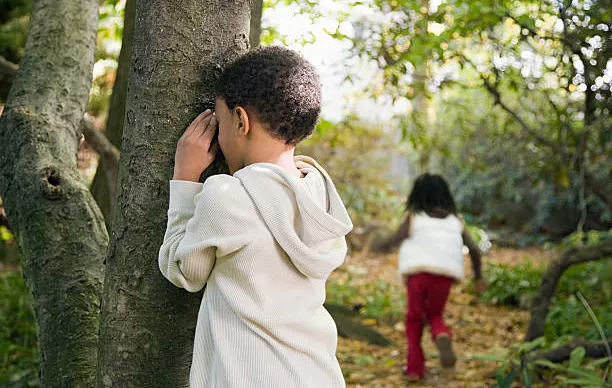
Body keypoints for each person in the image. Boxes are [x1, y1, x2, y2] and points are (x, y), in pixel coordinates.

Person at [158, 46, 352, 387]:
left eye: (219, 123)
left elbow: (184, 271)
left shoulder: (230, 196)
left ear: (240, 120)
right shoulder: (319, 192)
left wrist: (185, 179)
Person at [375, 173, 484, 381]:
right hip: (444, 276)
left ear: (417, 196)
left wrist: (379, 246)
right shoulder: (455, 221)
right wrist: (478, 278)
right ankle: (441, 334)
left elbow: (395, 238)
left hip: (417, 273)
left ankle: (414, 368)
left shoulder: (415, 217)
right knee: (435, 315)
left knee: (414, 318)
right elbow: (475, 251)